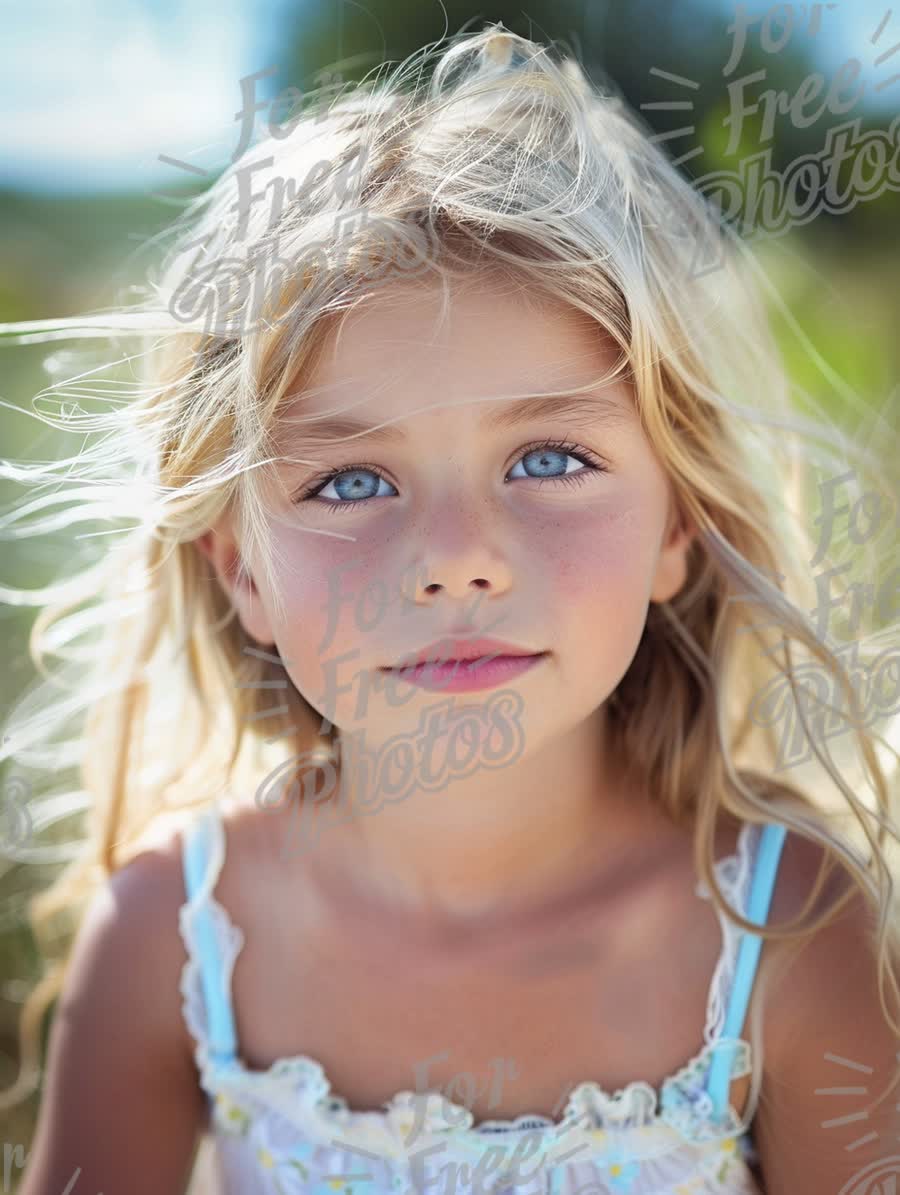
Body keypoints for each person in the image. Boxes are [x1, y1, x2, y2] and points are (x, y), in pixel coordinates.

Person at [2, 22, 898, 1195]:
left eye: (548, 460)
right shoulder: (175, 932)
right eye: (352, 481)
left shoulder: (782, 931)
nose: (459, 561)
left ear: (676, 525)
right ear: (242, 571)